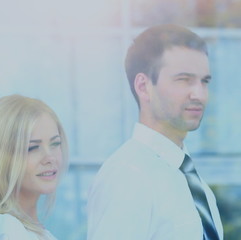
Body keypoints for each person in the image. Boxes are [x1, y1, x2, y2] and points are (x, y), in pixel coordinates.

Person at [87, 24, 223, 240]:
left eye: (204, 81)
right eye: (184, 80)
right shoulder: (128, 176)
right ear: (143, 86)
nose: (199, 94)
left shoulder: (193, 182)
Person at [0, 95, 69, 240]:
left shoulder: (28, 232)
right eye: (32, 148)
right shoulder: (4, 228)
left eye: (55, 144)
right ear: (1, 159)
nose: (50, 158)